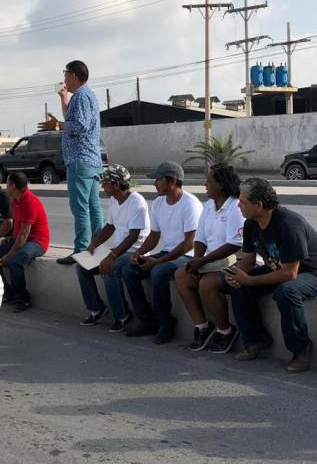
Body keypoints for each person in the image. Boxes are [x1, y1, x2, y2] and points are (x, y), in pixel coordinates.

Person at [222, 178, 317, 373]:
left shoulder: (289, 224)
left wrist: (251, 280)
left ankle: (301, 348)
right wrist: (236, 273)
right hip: (280, 268)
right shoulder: (251, 224)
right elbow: (248, 260)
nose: (238, 206)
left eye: (242, 202)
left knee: (286, 291)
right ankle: (256, 339)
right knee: (238, 285)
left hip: (316, 272)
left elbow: (290, 274)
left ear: (258, 205)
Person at [122, 161, 203, 344]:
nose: (154, 183)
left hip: (187, 257)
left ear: (172, 181)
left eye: (158, 179)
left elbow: (189, 243)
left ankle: (165, 323)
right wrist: (140, 253)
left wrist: (158, 262)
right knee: (129, 270)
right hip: (168, 253)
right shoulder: (159, 202)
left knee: (159, 272)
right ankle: (147, 320)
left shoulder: (190, 204)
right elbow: (154, 235)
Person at [37, 60, 103, 264]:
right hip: (90, 160)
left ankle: (81, 251)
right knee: (93, 207)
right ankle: (97, 248)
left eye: (66, 74)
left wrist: (57, 125)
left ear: (74, 76)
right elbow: (73, 119)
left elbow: (80, 126)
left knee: (80, 208)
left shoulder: (82, 95)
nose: (64, 78)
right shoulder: (85, 95)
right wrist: (64, 98)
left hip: (80, 161)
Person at [175, 164, 246, 353]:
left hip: (235, 261)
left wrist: (202, 262)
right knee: (182, 275)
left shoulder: (235, 207)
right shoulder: (208, 206)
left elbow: (235, 244)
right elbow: (200, 238)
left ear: (221, 185)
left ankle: (226, 330)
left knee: (207, 284)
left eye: (209, 180)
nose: (205, 184)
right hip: (211, 262)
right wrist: (196, 261)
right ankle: (202, 327)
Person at [75, 165, 150, 332]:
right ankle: (96, 308)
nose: (103, 186)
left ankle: (122, 315)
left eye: (106, 183)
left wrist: (112, 256)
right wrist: (95, 243)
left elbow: (133, 236)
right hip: (118, 249)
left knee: (108, 269)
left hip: (134, 250)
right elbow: (110, 226)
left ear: (116, 184)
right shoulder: (114, 200)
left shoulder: (137, 203)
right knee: (82, 267)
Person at [0, 172, 50, 313]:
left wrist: (10, 253)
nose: (5, 186)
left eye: (7, 183)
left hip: (37, 242)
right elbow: (18, 225)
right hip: (21, 239)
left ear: (13, 185)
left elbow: (25, 233)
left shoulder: (30, 202)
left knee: (14, 261)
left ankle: (23, 299)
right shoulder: (15, 200)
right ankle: (8, 293)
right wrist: (11, 237)